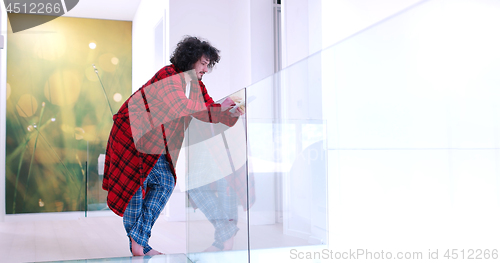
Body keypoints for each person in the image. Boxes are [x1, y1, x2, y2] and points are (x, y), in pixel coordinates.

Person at [102, 36, 243, 256]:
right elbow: (183, 107)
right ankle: (140, 245)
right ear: (191, 59)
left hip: (153, 143)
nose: (206, 69)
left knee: (165, 182)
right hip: (132, 138)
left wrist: (230, 112)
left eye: (208, 65)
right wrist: (219, 109)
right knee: (134, 191)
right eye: (203, 63)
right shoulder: (167, 76)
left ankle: (138, 241)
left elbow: (208, 108)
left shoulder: (195, 84)